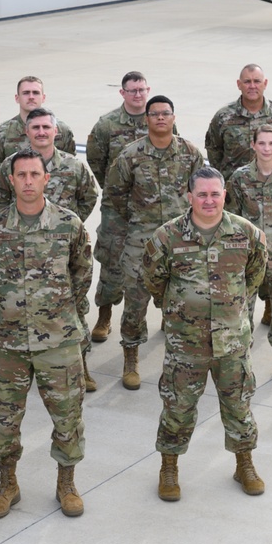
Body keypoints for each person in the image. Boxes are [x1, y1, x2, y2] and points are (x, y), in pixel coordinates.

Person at [0, 148, 93, 519]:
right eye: (20, 175)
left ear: (46, 178)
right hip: (9, 342)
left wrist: (55, 312)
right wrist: (11, 308)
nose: (27, 181)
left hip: (59, 340)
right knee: (5, 417)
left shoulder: (69, 224)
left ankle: (66, 483)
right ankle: (7, 483)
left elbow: (81, 272)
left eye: (34, 174)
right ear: (11, 180)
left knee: (67, 414)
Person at [142, 166, 268, 501]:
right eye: (202, 194)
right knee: (178, 407)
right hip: (186, 344)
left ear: (224, 194)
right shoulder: (167, 236)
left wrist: (231, 308)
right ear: (189, 196)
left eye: (215, 193)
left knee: (239, 405)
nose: (209, 200)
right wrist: (179, 309)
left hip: (232, 342)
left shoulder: (247, 234)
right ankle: (169, 467)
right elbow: (154, 280)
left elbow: (255, 275)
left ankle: (245, 463)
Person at [0, 108, 99, 389]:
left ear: (55, 131)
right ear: (26, 132)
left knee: (76, 312)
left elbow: (89, 197)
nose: (40, 132)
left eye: (46, 127)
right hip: (18, 248)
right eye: (34, 127)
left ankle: (80, 365)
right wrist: (10, 228)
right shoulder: (12, 165)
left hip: (61, 248)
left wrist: (68, 227)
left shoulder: (74, 166)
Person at [104, 95, 204, 390]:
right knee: (135, 298)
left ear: (174, 117)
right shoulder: (130, 155)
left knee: (185, 299)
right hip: (142, 239)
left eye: (166, 113)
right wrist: (137, 219)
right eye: (155, 114)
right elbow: (116, 194)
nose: (161, 118)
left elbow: (201, 192)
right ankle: (131, 355)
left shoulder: (190, 153)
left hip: (180, 240)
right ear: (146, 119)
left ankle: (182, 360)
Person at [85, 71, 177, 344]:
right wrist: (119, 192)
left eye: (142, 90)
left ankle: (165, 314)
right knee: (113, 263)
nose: (138, 95)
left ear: (148, 90)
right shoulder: (107, 125)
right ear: (122, 93)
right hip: (118, 211)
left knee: (163, 263)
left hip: (155, 210)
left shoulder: (160, 118)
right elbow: (96, 161)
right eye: (132, 90)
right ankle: (104, 315)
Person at [225, 125, 272, 383]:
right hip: (248, 255)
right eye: (262, 143)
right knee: (243, 310)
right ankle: (241, 364)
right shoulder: (239, 178)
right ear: (253, 145)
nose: (267, 148)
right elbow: (232, 216)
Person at [205, 64, 272, 181]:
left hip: (271, 190)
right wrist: (225, 178)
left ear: (265, 84)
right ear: (239, 84)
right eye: (247, 82)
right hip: (234, 190)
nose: (252, 86)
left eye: (257, 81)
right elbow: (213, 150)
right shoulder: (223, 116)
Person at [0, 75, 77, 175]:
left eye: (36, 93)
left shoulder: (62, 130)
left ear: (43, 97)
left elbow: (69, 163)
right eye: (26, 93)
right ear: (17, 98)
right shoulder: (1, 133)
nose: (31, 97)